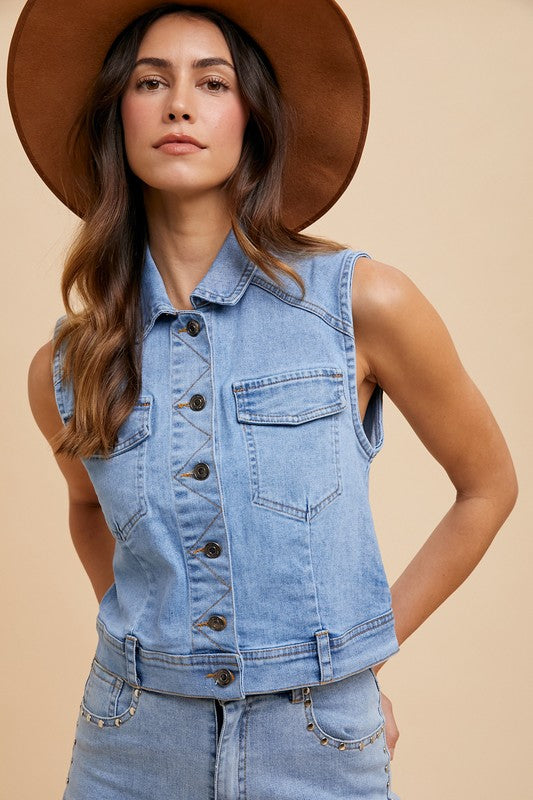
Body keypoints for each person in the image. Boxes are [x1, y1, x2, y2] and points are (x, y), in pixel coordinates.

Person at [8, 1, 517, 798]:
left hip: (317, 742)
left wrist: (357, 662)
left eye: (212, 82)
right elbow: (86, 509)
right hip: (129, 742)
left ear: (252, 117)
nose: (179, 104)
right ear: (118, 114)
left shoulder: (360, 303)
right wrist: (154, 640)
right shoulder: (68, 365)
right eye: (151, 81)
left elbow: (487, 486)